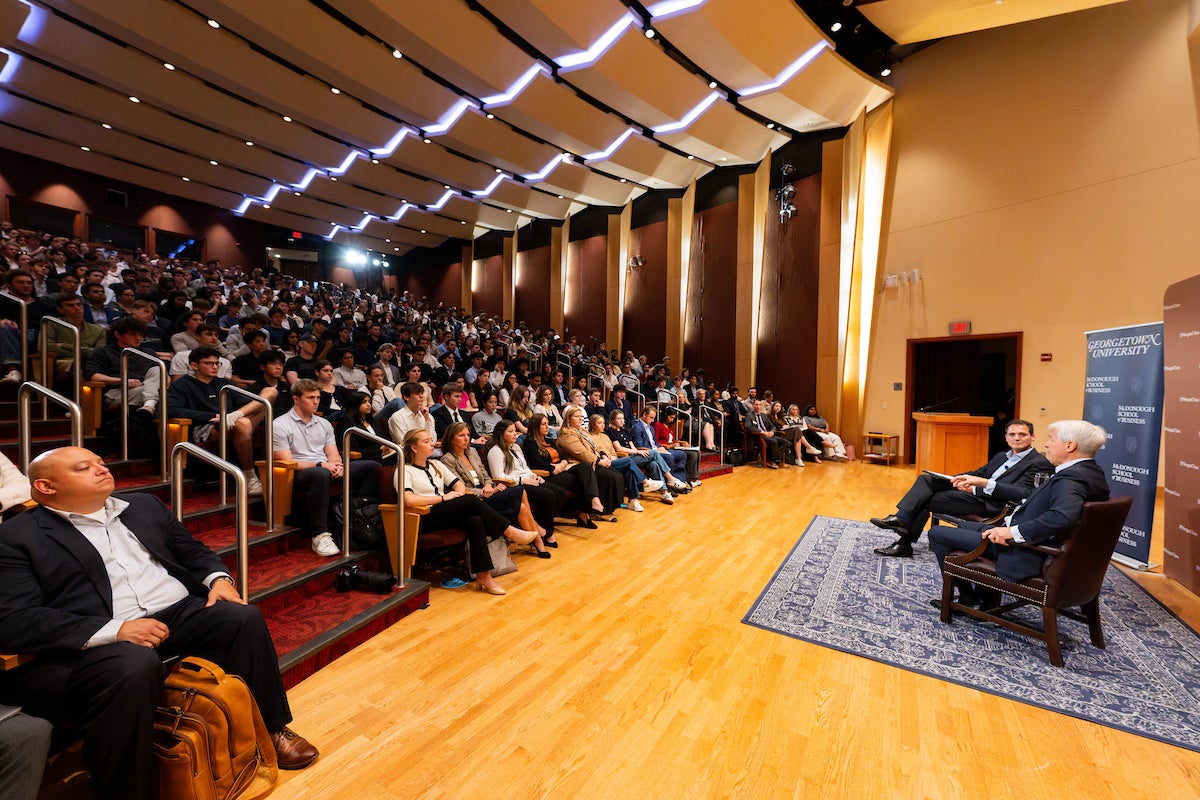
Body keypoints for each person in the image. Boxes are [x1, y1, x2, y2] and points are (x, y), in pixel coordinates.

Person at [0, 447, 318, 800]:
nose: (102, 469)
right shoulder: (17, 536)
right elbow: (14, 619)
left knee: (240, 617)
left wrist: (218, 579)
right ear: (46, 487)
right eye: (83, 468)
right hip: (101, 634)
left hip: (175, 611)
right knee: (133, 664)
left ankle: (272, 730)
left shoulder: (144, 506)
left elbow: (192, 551)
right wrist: (116, 630)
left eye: (101, 462)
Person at [927, 420, 1111, 608]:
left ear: (1070, 445)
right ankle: (985, 596)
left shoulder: (1071, 479)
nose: (1046, 444)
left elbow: (1061, 517)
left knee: (937, 534)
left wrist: (1012, 532)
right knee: (964, 525)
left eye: (1051, 439)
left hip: (1025, 551)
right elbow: (1037, 499)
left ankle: (970, 599)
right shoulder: (1091, 472)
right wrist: (986, 487)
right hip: (1044, 544)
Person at [870, 419, 1051, 558]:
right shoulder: (1002, 456)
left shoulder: (1038, 463)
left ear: (1032, 437)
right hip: (975, 495)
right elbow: (979, 472)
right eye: (1012, 434)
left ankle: (903, 537)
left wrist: (976, 487)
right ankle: (901, 521)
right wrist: (956, 479)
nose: (1016, 438)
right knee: (927, 479)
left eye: (1022, 434)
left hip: (995, 504)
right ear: (1006, 437)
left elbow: (1020, 492)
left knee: (924, 499)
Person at [399, 429, 538, 595]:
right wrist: (443, 498)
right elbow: (408, 500)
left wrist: (456, 495)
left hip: (443, 511)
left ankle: (483, 575)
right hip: (422, 517)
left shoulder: (436, 464)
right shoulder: (404, 470)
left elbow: (459, 485)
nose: (432, 444)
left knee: (474, 519)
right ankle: (509, 531)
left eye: (431, 440)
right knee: (470, 500)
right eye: (426, 441)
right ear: (414, 448)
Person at [273, 380, 381, 557]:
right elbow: (286, 461)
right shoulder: (280, 424)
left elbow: (333, 453)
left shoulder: (324, 423)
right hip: (298, 471)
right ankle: (319, 535)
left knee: (372, 466)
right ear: (296, 399)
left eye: (317, 397)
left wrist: (337, 465)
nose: (316, 401)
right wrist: (321, 465)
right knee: (321, 474)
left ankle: (356, 516)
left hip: (325, 467)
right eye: (310, 398)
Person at [166, 347, 268, 495]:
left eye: (217, 363)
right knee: (244, 422)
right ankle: (250, 478)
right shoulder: (182, 385)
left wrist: (233, 415)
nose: (215, 367)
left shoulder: (224, 383)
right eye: (209, 363)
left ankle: (234, 417)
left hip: (233, 421)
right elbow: (171, 410)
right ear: (194, 365)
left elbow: (246, 402)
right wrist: (211, 416)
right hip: (206, 426)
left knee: (269, 394)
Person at [439, 422, 550, 556]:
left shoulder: (472, 452)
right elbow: (460, 487)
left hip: (488, 491)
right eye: (461, 435)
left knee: (521, 505)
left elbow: (486, 476)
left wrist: (488, 486)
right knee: (518, 491)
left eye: (468, 435)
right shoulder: (447, 460)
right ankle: (537, 535)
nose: (466, 438)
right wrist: (484, 491)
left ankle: (537, 539)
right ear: (451, 439)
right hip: (474, 499)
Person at [484, 420, 566, 547]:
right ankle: (547, 533)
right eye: (510, 431)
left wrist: (534, 476)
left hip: (528, 479)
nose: (515, 434)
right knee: (548, 496)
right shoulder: (496, 451)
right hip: (515, 485)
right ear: (501, 433)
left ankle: (539, 525)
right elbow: (498, 476)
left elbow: (525, 467)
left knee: (560, 493)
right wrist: (522, 480)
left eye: (514, 431)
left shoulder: (516, 447)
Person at [522, 413, 607, 529]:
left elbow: (563, 458)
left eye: (547, 424)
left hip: (560, 470)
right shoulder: (530, 442)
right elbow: (537, 463)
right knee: (583, 480)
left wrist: (561, 465)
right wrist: (556, 467)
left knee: (585, 467)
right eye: (543, 424)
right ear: (535, 426)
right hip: (548, 475)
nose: (547, 427)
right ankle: (584, 512)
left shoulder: (550, 441)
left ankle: (594, 500)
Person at [554, 406, 626, 517]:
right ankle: (598, 511)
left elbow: (594, 446)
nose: (580, 419)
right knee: (608, 476)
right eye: (577, 417)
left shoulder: (581, 430)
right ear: (569, 419)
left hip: (591, 461)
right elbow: (581, 452)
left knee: (617, 475)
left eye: (581, 417)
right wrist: (598, 461)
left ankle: (608, 509)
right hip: (579, 464)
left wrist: (602, 456)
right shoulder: (566, 433)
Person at [743, 399, 789, 468]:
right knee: (774, 441)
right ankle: (777, 461)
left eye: (759, 405)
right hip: (758, 436)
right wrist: (762, 432)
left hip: (768, 434)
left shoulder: (764, 415)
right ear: (753, 406)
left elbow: (772, 425)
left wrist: (772, 431)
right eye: (756, 405)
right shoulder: (749, 415)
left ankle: (771, 459)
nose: (758, 406)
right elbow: (748, 427)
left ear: (761, 406)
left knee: (786, 442)